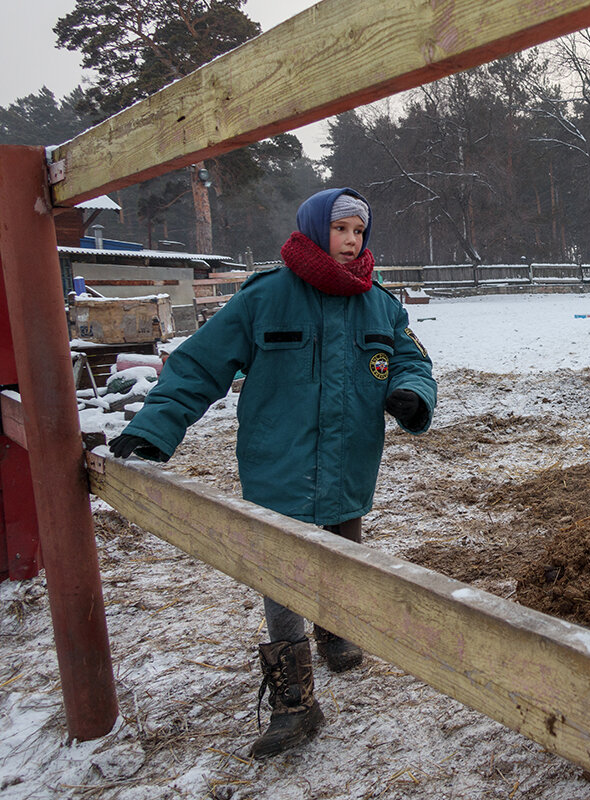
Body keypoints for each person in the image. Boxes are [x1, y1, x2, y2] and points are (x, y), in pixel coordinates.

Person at [109, 188, 437, 759]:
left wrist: (410, 392)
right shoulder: (267, 296)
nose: (352, 241)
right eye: (341, 230)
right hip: (279, 464)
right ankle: (294, 699)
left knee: (343, 548)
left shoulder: (380, 304)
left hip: (350, 460)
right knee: (282, 570)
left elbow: (411, 359)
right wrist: (157, 426)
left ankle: (335, 628)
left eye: (360, 232)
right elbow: (200, 363)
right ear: (314, 230)